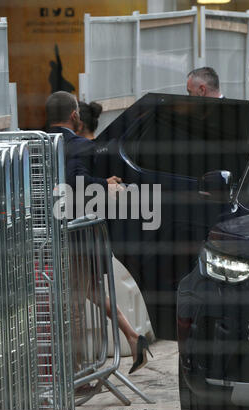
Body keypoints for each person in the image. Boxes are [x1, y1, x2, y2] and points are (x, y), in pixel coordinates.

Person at [45, 92, 152, 376]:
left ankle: (81, 369)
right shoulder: (78, 145)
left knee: (82, 300)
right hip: (76, 237)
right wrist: (104, 184)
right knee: (83, 300)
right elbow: (75, 181)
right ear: (75, 115)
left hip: (57, 236)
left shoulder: (38, 143)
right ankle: (122, 345)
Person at [76, 99, 153, 374]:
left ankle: (81, 371)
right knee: (93, 294)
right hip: (99, 235)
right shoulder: (107, 149)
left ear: (77, 122)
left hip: (83, 238)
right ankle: (134, 338)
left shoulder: (84, 152)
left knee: (79, 299)